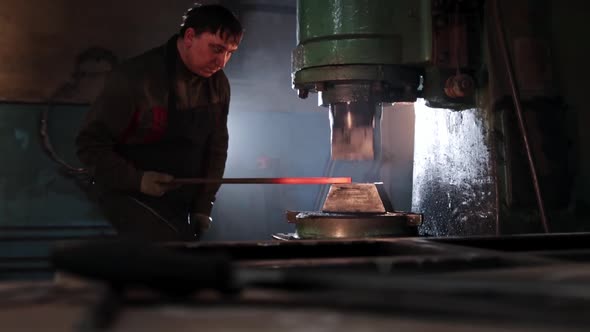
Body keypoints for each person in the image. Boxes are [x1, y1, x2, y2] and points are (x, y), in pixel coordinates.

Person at [76, 4, 243, 242]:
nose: (222, 61)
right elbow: (89, 145)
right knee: (168, 250)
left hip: (181, 199)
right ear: (189, 37)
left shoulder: (218, 85)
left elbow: (216, 148)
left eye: (229, 53)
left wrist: (204, 205)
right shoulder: (136, 77)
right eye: (216, 49)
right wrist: (138, 180)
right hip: (128, 193)